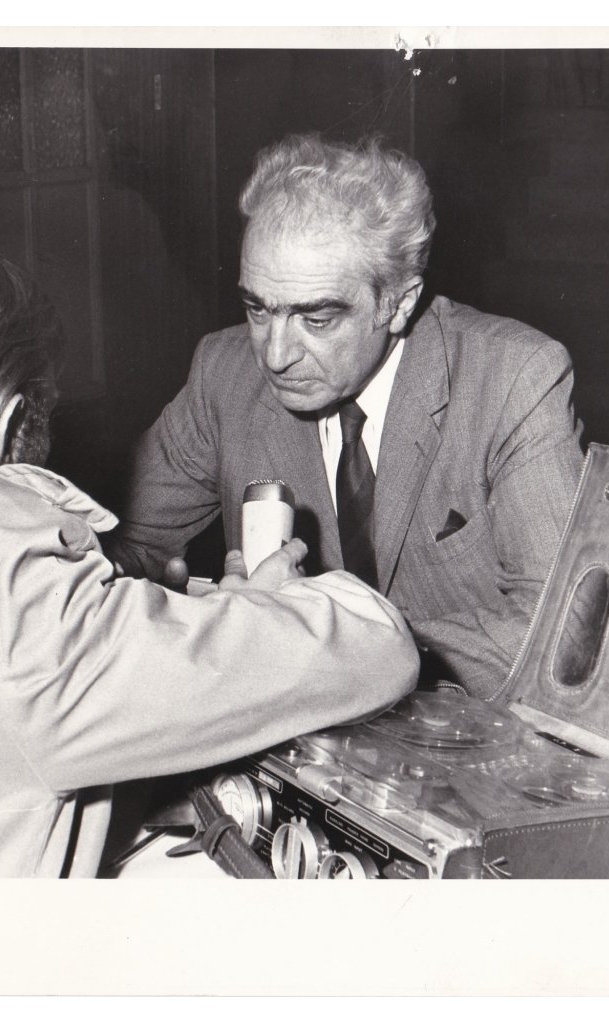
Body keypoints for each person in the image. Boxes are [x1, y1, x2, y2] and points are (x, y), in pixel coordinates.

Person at [0, 228, 418, 878]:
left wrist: (152, 613)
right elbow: (376, 647)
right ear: (13, 413)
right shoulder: (2, 559)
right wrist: (263, 610)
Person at [107, 134, 584, 698]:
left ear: (399, 303)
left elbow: (561, 630)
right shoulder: (223, 374)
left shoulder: (514, 378)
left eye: (317, 320)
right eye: (257, 308)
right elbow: (123, 546)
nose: (275, 355)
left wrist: (305, 643)